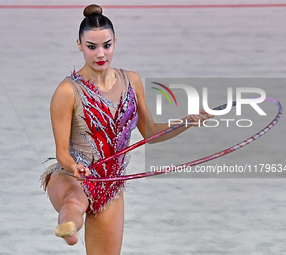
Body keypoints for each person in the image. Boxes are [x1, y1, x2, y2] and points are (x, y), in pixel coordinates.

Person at [40, 4, 213, 255]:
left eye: (107, 45)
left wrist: (187, 121)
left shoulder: (131, 81)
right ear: (79, 44)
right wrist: (74, 167)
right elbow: (61, 153)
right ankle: (69, 229)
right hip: (73, 175)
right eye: (92, 47)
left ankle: (71, 227)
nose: (101, 54)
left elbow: (151, 133)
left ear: (115, 42)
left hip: (110, 185)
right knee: (73, 201)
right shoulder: (67, 92)